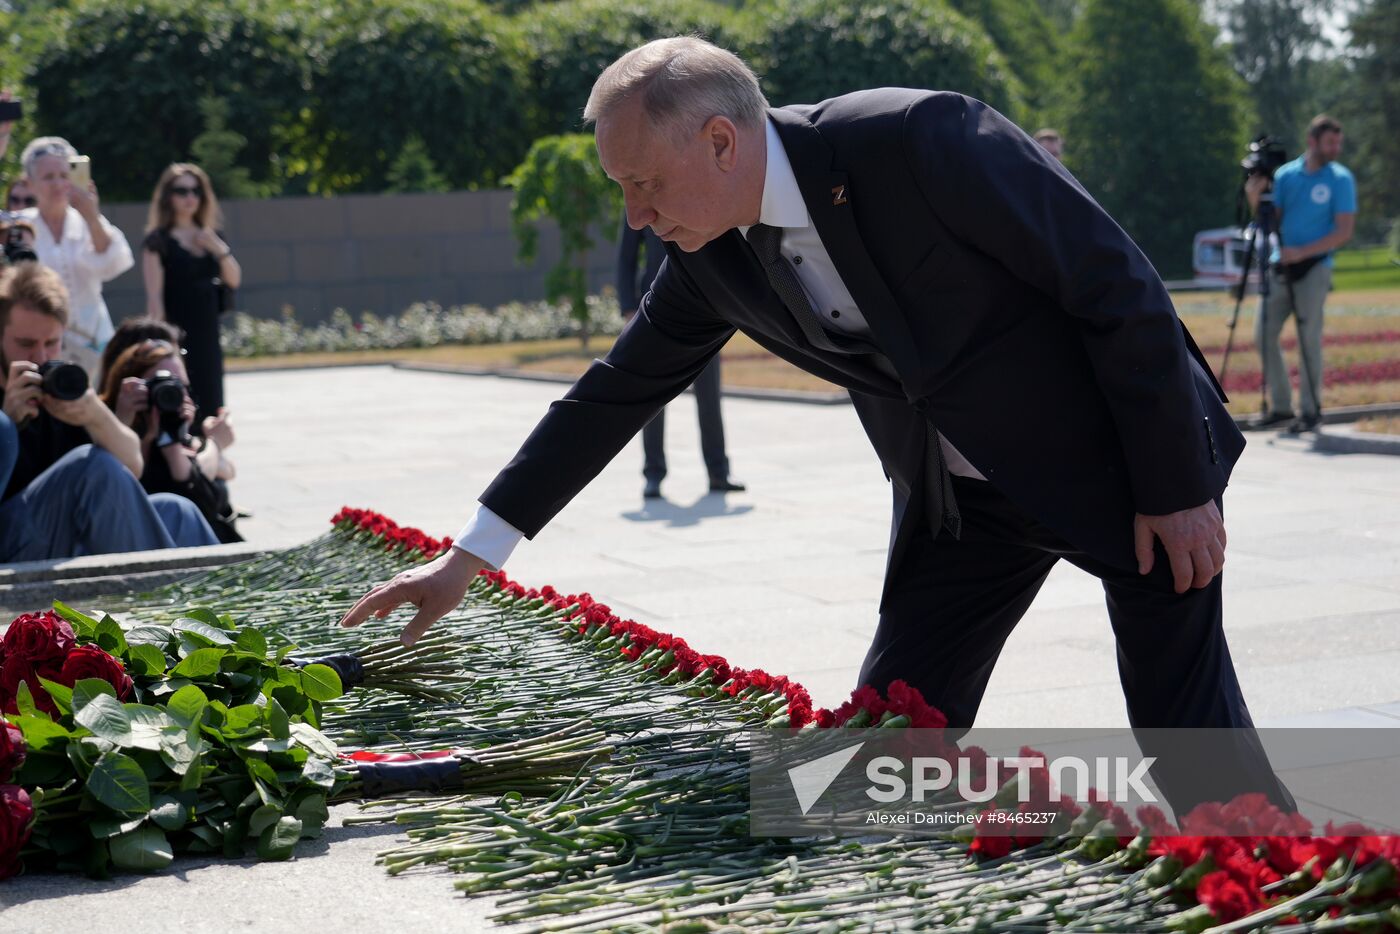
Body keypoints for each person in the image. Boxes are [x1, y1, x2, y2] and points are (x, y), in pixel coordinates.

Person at [341, 38, 1290, 814]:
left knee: (1195, 755)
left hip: (1122, 474)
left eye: (642, 184)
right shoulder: (711, 258)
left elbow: (1115, 284)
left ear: (721, 141)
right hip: (963, 509)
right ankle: (997, 869)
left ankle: (1302, 891)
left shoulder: (921, 138)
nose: (634, 217)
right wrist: (467, 557)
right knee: (882, 753)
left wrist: (1177, 488)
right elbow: (610, 396)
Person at [0, 261, 218, 562]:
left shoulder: (64, 389)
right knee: (92, 468)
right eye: (25, 344)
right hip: (10, 542)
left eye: (52, 343)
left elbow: (133, 468)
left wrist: (94, 413)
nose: (40, 356)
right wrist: (7, 422)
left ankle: (220, 605)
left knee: (177, 511)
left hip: (63, 535)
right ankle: (166, 597)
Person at [1245, 114, 1356, 434]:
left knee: (1308, 339)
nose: (1336, 147)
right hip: (1282, 266)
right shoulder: (1286, 175)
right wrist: (1256, 199)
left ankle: (1310, 411)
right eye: (1330, 142)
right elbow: (1270, 221)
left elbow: (1343, 231)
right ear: (1312, 141)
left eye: (1338, 142)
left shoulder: (1340, 178)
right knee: (1263, 334)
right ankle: (1280, 407)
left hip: (1315, 268)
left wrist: (1304, 252)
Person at [616, 219, 742, 498]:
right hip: (654, 313)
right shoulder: (642, 201)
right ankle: (653, 474)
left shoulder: (696, 192)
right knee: (652, 400)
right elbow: (626, 258)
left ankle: (718, 472)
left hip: (704, 311)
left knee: (709, 397)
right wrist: (628, 308)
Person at [101, 338, 241, 543]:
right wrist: (122, 422)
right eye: (159, 385)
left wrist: (175, 438)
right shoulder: (109, 434)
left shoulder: (181, 440)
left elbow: (222, 478)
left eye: (179, 385)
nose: (172, 394)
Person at [17, 137, 133, 377]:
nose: (58, 184)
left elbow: (114, 264)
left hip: (94, 340)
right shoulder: (21, 226)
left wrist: (92, 217)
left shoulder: (85, 221)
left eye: (63, 174)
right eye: (48, 177)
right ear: (30, 183)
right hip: (41, 344)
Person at [142, 164, 240, 426]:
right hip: (178, 333)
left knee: (211, 400)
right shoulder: (158, 241)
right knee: (181, 403)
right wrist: (162, 344)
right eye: (182, 190)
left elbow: (234, 279)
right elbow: (154, 297)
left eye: (196, 191)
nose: (190, 197)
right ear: (168, 196)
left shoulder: (211, 237)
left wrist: (217, 247)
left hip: (208, 334)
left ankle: (212, 457)